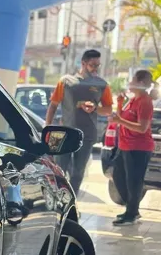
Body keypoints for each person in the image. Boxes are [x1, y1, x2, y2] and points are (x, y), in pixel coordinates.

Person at [46, 49, 114, 194]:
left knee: (78, 172)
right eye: (92, 65)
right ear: (83, 63)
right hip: (64, 133)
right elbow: (53, 105)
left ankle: (72, 199)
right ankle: (57, 198)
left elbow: (108, 109)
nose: (95, 69)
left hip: (87, 135)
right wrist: (48, 126)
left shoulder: (102, 85)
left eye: (98, 65)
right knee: (58, 170)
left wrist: (95, 108)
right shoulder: (65, 81)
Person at [110, 70, 158, 225]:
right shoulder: (132, 100)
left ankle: (131, 213)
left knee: (134, 181)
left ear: (141, 83)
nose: (130, 83)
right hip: (125, 145)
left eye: (133, 80)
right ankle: (131, 208)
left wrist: (120, 121)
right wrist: (119, 103)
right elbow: (120, 118)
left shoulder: (145, 101)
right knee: (118, 175)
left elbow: (142, 128)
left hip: (138, 147)